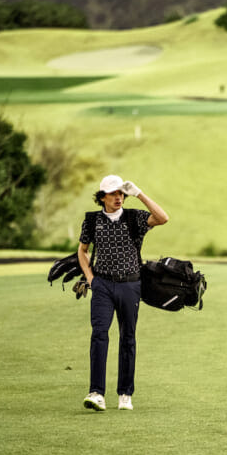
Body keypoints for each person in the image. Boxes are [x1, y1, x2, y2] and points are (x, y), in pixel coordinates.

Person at [78, 175, 169, 412]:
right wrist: (90, 279)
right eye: (113, 194)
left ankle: (125, 394)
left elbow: (162, 218)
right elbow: (83, 251)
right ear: (102, 197)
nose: (118, 197)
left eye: (121, 193)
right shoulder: (92, 220)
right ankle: (96, 392)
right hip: (103, 286)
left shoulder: (134, 217)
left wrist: (139, 193)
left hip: (130, 286)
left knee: (127, 338)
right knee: (99, 335)